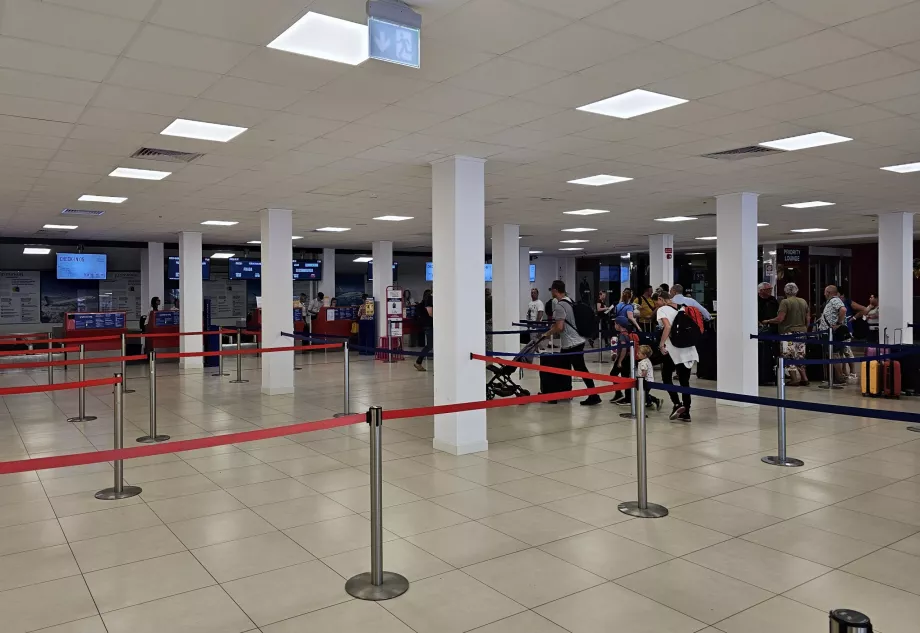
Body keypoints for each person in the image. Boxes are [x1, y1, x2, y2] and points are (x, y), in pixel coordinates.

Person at [540, 280, 600, 406]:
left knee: (579, 369)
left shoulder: (560, 306)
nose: (551, 292)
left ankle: (594, 395)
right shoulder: (569, 300)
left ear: (555, 290)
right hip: (574, 341)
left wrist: (547, 334)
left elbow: (559, 327)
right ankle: (562, 392)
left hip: (572, 343)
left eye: (552, 289)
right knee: (563, 367)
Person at [653, 291, 699, 422]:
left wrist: (661, 344)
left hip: (672, 350)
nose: (656, 305)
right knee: (685, 382)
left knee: (666, 378)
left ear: (661, 299)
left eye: (656, 302)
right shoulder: (681, 307)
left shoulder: (662, 309)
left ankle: (677, 403)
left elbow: (667, 326)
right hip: (688, 349)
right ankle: (686, 412)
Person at [761, 282, 810, 386]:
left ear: (785, 291)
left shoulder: (785, 302)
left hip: (788, 332)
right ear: (797, 290)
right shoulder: (803, 301)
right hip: (802, 331)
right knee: (800, 355)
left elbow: (780, 319)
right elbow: (808, 318)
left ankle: (794, 379)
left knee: (789, 355)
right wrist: (805, 328)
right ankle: (804, 378)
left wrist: (768, 321)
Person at [817, 285, 849, 384]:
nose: (824, 294)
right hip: (829, 332)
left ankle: (839, 376)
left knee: (834, 354)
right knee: (834, 353)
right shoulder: (831, 301)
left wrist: (838, 323)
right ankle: (837, 376)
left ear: (829, 293)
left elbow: (843, 310)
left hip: (831, 333)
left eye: (825, 292)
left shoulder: (835, 300)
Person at [610, 317, 639, 405]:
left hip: (624, 359)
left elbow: (623, 349)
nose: (614, 325)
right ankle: (626, 397)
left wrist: (619, 361)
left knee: (613, 374)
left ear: (618, 325)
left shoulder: (622, 335)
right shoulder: (628, 333)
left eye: (615, 324)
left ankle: (621, 395)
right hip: (629, 358)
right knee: (625, 377)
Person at [636, 345, 662, 411]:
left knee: (643, 393)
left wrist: (641, 379)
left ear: (644, 355)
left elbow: (644, 372)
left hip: (645, 381)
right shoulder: (648, 360)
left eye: (639, 353)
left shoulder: (643, 363)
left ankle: (656, 400)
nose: (637, 354)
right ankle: (649, 403)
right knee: (645, 393)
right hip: (650, 380)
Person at [414, 289, 433, 371]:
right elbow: (431, 314)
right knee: (430, 345)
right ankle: (418, 362)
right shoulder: (428, 304)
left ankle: (418, 362)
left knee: (430, 345)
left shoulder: (420, 305)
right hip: (430, 326)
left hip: (425, 326)